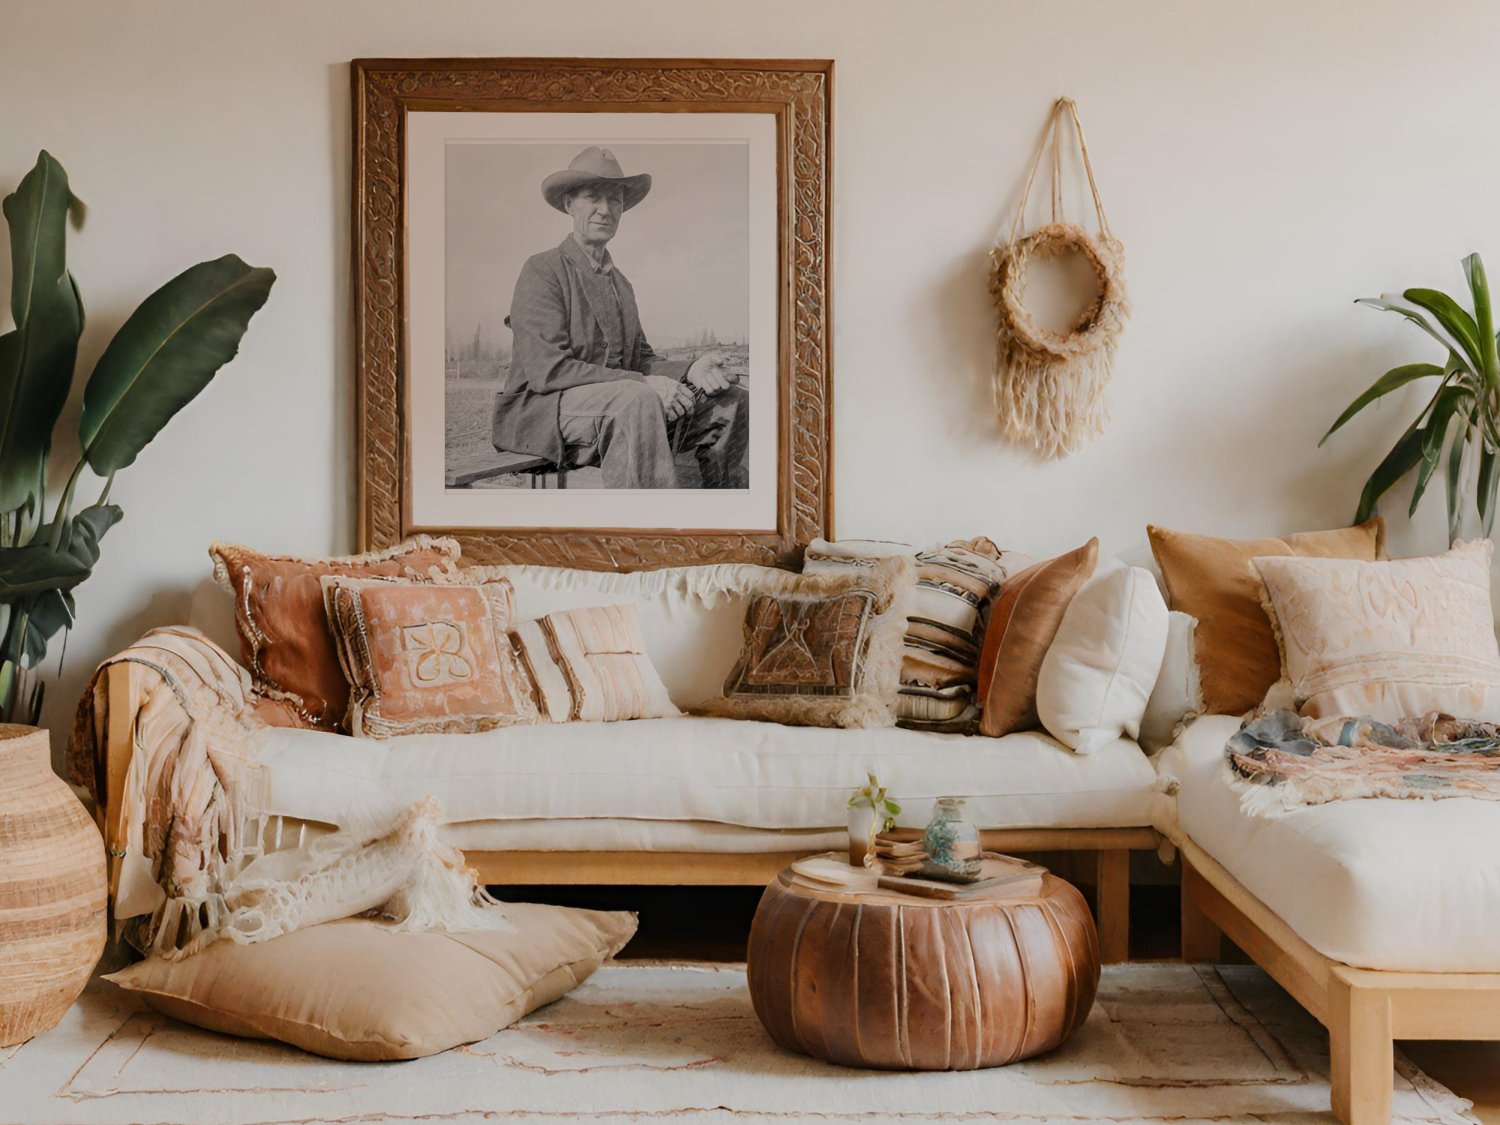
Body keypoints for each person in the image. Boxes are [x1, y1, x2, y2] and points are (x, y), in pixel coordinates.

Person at [492, 146, 749, 489]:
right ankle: (650, 533)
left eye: (614, 200)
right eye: (592, 197)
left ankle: (726, 521)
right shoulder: (542, 270)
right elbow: (547, 371)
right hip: (540, 412)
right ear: (569, 204)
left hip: (616, 408)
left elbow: (641, 360)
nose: (605, 209)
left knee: (733, 400)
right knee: (638, 400)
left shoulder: (621, 285)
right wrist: (644, 385)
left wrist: (691, 369)